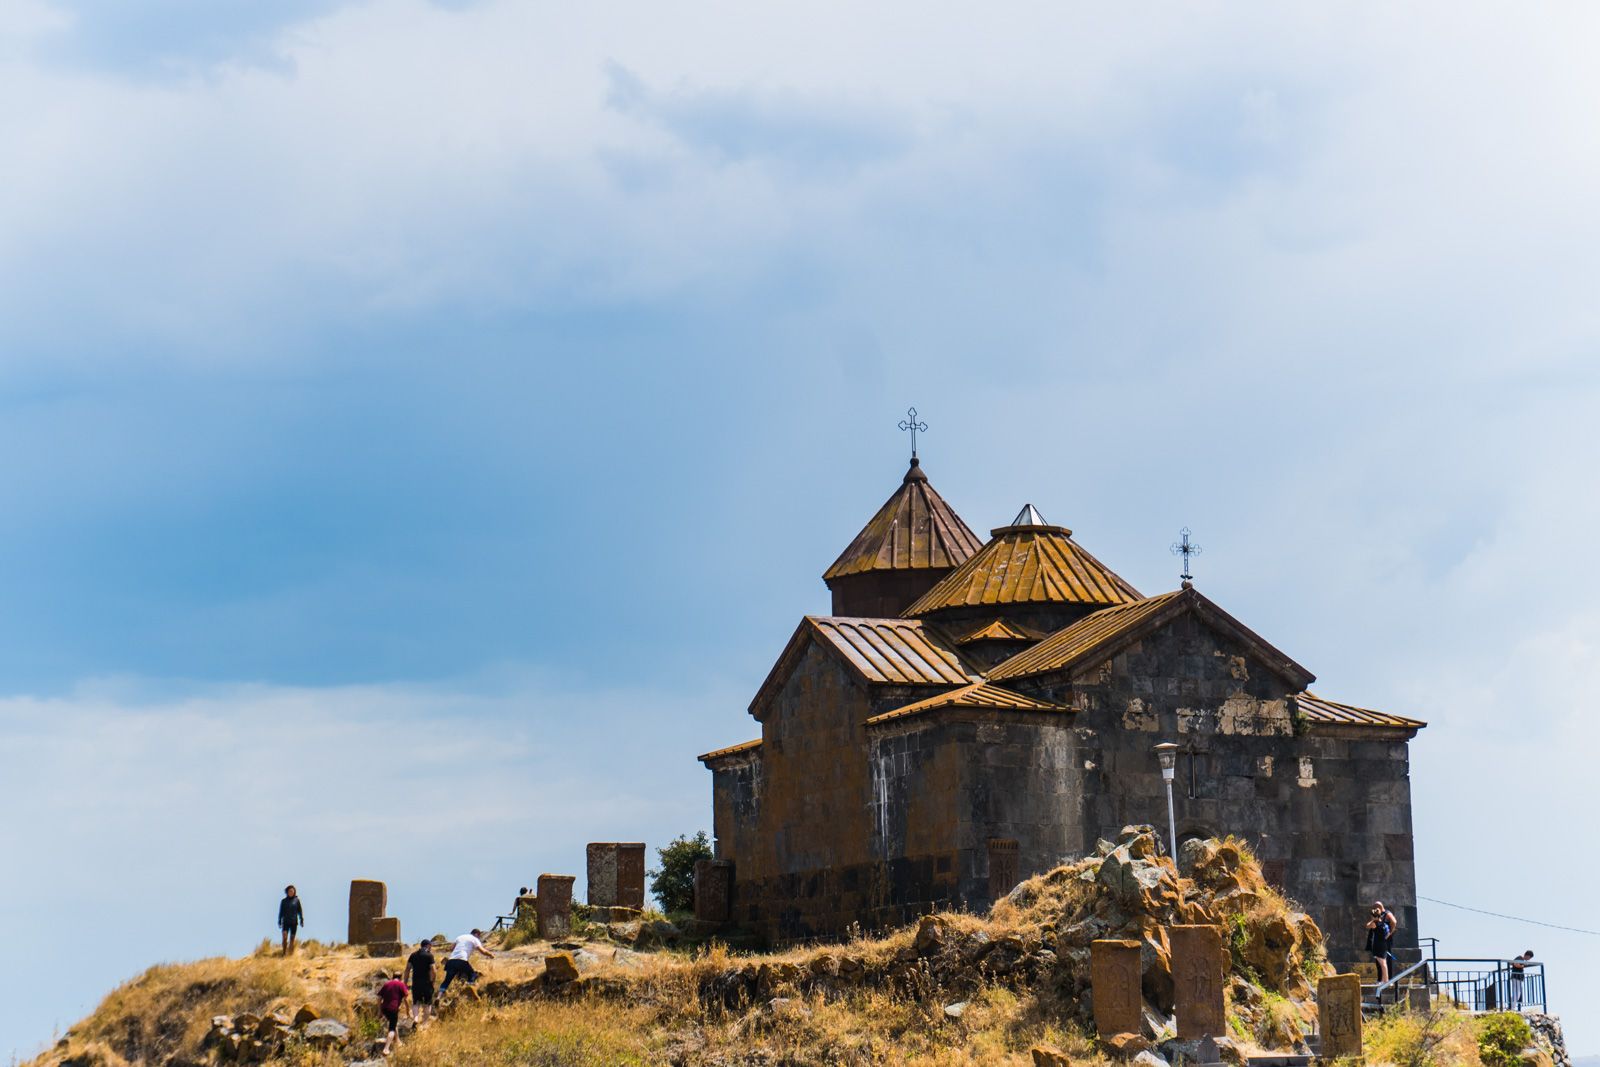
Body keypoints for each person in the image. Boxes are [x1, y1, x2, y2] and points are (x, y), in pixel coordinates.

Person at [438, 928, 495, 1000]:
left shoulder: (460, 937)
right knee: (472, 975)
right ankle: (469, 989)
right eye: (479, 936)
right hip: (462, 961)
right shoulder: (474, 939)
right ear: (477, 934)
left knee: (446, 981)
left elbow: (451, 948)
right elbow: (482, 951)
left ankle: (438, 997)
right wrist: (490, 955)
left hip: (451, 961)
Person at [404, 939, 437, 1026]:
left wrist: (405, 983)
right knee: (427, 1003)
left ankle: (416, 1018)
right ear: (428, 945)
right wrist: (433, 981)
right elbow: (434, 970)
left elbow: (407, 969)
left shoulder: (413, 955)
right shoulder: (429, 956)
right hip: (427, 983)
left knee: (416, 1002)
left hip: (416, 983)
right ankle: (425, 1023)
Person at [377, 974, 409, 1055]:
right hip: (393, 1009)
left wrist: (379, 1011)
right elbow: (406, 999)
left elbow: (379, 998)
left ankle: (398, 1041)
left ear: (392, 977)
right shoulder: (401, 984)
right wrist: (407, 1011)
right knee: (392, 1029)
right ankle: (386, 1049)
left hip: (385, 1008)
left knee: (393, 1024)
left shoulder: (387, 984)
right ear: (400, 978)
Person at [1364, 904, 1393, 983]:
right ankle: (1385, 980)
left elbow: (1367, 926)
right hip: (1384, 945)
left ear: (1374, 916)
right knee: (1384, 963)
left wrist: (1373, 920)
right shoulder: (1384, 924)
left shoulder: (1374, 924)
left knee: (1382, 964)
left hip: (1377, 945)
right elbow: (1388, 934)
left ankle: (1386, 981)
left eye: (1372, 916)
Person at [278, 886, 304, 956]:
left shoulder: (297, 900)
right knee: (284, 937)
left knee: (292, 940)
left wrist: (301, 920)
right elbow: (281, 912)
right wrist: (279, 921)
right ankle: (284, 953)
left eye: (292, 891)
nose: (291, 892)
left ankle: (290, 954)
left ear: (294, 892)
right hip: (285, 922)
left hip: (294, 923)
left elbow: (300, 911)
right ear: (287, 892)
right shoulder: (283, 901)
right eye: (290, 891)